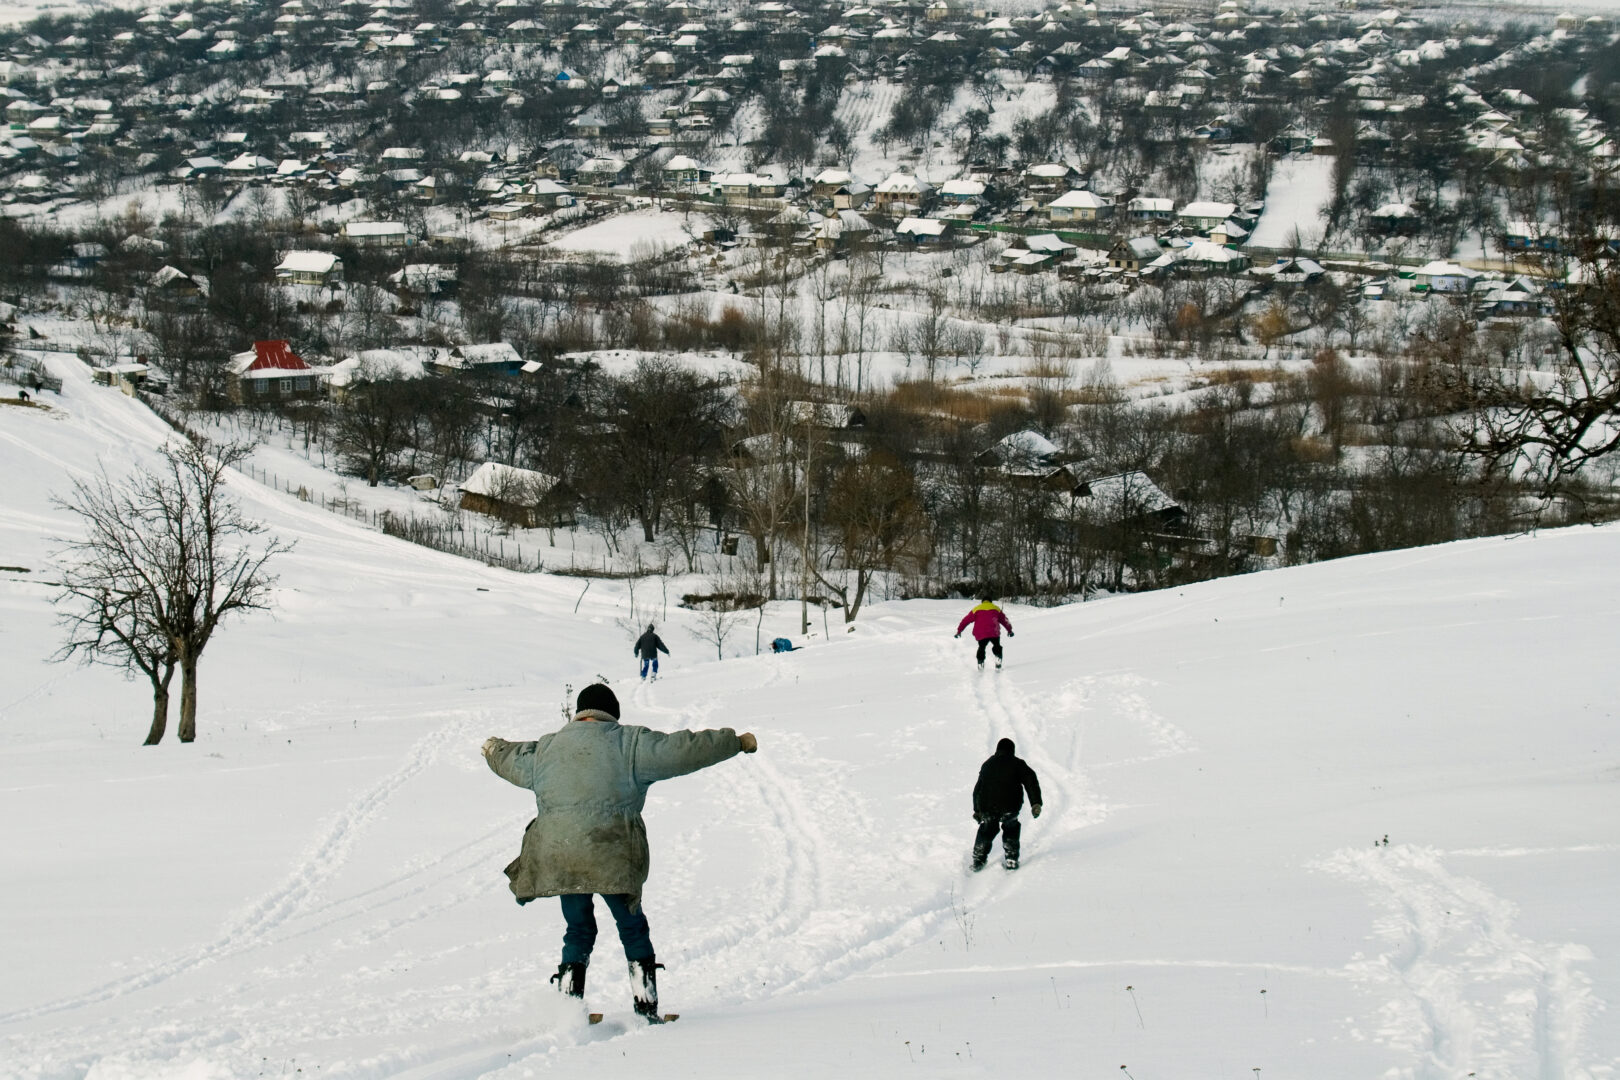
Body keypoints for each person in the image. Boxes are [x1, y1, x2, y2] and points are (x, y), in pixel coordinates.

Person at [482, 684, 757, 1021]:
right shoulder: (631, 743)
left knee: (578, 930)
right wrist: (736, 742)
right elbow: (684, 750)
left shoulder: (547, 748)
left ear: (579, 713)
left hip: (559, 855)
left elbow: (508, 756)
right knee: (631, 927)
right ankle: (646, 1010)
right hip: (610, 851)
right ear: (612, 713)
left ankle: (567, 1013)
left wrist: (492, 748)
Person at [971, 738, 1042, 871]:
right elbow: (1031, 781)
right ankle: (1011, 859)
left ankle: (978, 860)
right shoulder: (1017, 764)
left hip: (987, 806)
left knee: (987, 829)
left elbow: (977, 789)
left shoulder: (987, 764)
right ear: (1012, 750)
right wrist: (1036, 803)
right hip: (1010, 806)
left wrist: (977, 810)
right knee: (1011, 828)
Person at [955, 597, 1013, 669]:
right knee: (996, 645)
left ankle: (980, 661)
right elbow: (1005, 620)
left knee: (981, 647)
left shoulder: (976, 609)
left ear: (982, 602)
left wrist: (959, 631)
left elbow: (965, 620)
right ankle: (998, 657)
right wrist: (1009, 631)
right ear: (990, 601)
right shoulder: (996, 608)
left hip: (981, 633)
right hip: (994, 631)